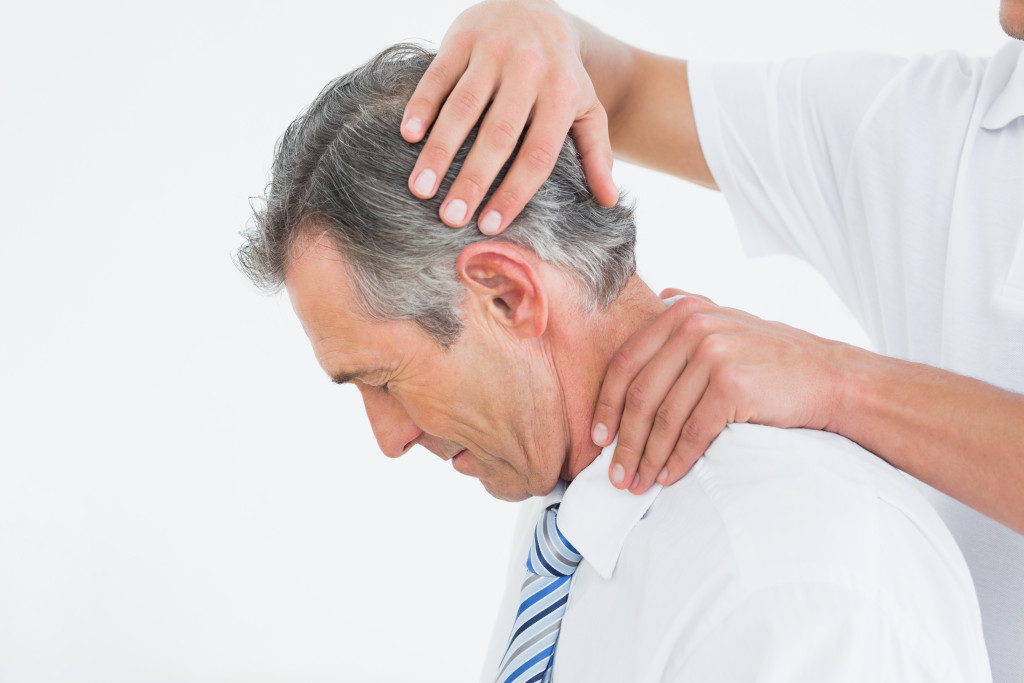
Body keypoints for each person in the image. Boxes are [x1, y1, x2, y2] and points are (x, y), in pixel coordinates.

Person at [236, 44, 992, 681]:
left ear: (504, 295)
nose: (388, 436)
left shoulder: (789, 580)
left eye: (382, 379)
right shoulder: (574, 516)